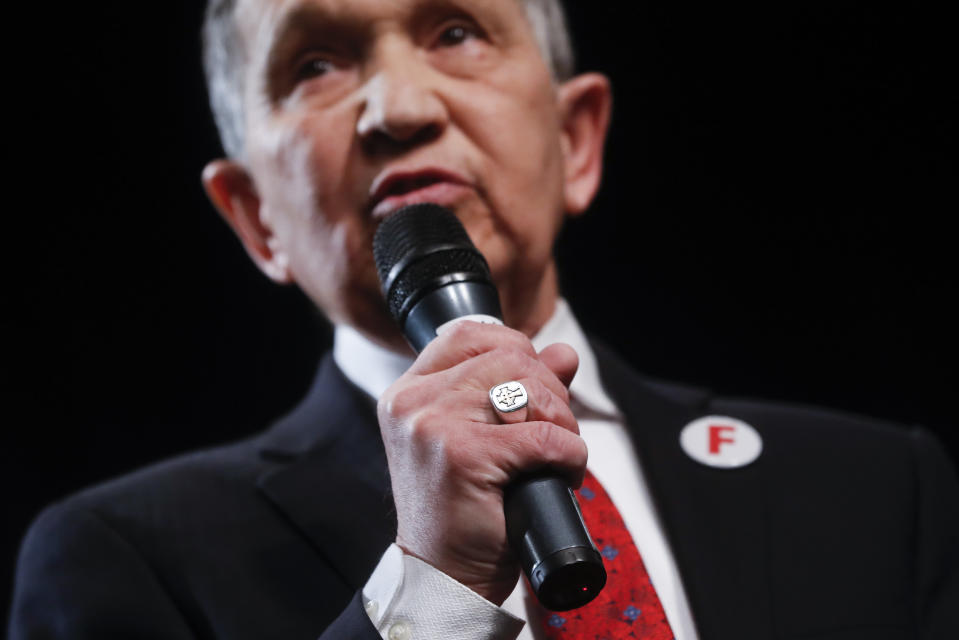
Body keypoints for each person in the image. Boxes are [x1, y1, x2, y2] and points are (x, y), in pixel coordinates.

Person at [9, 0, 959, 638]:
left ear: (575, 139)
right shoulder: (120, 558)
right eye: (316, 63)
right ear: (257, 218)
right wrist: (435, 583)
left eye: (456, 30)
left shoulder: (877, 493)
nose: (400, 107)